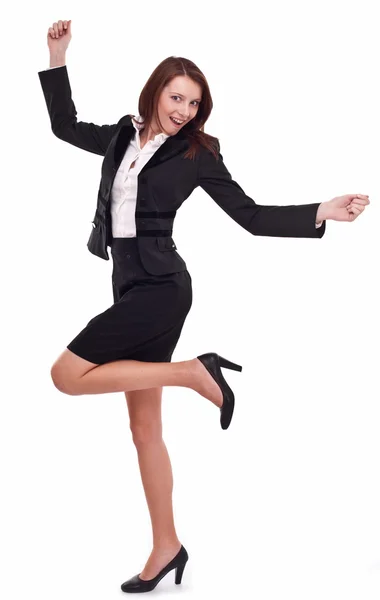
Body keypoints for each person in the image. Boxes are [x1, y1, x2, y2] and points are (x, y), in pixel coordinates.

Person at [38, 18, 370, 594]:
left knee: (66, 375)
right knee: (144, 430)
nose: (185, 109)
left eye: (194, 102)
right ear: (156, 92)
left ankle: (196, 372)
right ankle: (166, 545)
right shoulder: (122, 136)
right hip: (125, 285)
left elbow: (252, 216)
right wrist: (56, 56)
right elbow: (64, 126)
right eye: (176, 97)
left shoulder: (198, 153)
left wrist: (321, 209)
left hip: (164, 290)